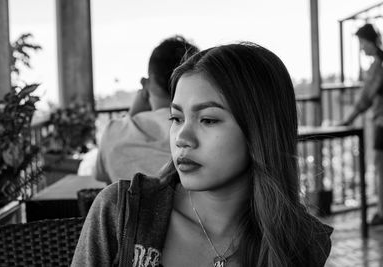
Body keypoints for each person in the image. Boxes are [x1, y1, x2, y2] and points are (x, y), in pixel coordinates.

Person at [72, 42, 333, 267]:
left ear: (260, 130)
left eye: (208, 120)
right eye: (176, 118)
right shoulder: (121, 214)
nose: (182, 138)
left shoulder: (301, 244)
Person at [93, 36, 199, 184]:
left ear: (146, 83)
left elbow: (101, 176)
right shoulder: (199, 130)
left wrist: (131, 115)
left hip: (127, 206)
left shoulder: (114, 131)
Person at [340, 23, 383, 226]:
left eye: (362, 43)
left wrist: (348, 119)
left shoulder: (378, 65)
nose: (361, 48)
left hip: (382, 124)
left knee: (380, 168)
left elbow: (366, 97)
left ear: (370, 41)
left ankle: (382, 212)